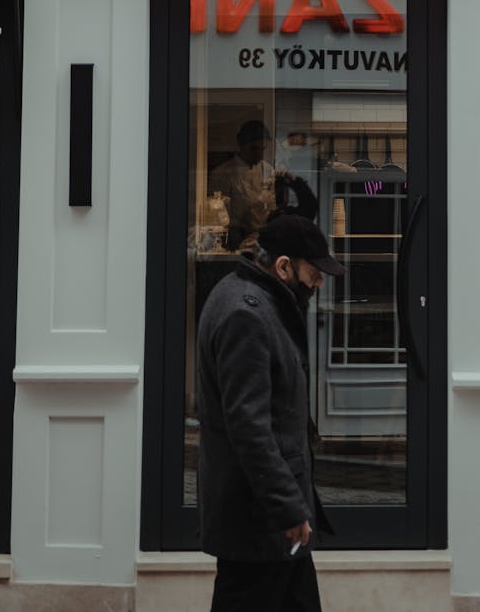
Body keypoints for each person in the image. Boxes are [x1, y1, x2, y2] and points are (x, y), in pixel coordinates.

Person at [197, 213, 345, 612]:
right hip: (258, 522)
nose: (317, 285)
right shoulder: (247, 314)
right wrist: (288, 507)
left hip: (271, 521)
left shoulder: (248, 296)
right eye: (314, 276)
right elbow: (250, 428)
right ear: (283, 266)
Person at [209, 120, 317, 250]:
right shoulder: (222, 173)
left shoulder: (268, 170)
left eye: (262, 149)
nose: (259, 154)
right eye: (253, 148)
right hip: (234, 240)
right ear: (240, 143)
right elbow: (219, 217)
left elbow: (274, 209)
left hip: (265, 240)